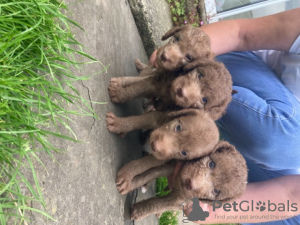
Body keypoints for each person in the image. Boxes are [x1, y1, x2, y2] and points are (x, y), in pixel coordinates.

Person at [149, 8, 300, 225]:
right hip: (229, 76)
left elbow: (292, 195)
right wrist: (181, 53)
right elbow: (241, 33)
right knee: (289, 141)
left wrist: (213, 211)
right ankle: (182, 95)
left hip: (265, 145)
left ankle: (194, 154)